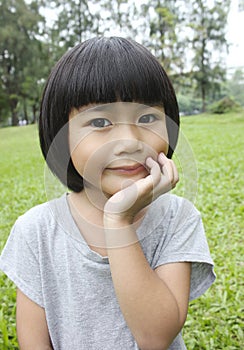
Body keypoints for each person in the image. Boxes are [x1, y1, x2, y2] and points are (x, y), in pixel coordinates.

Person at [0, 37, 215, 350]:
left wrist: (118, 220)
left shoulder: (176, 218)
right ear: (62, 135)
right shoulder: (36, 231)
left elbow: (155, 337)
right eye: (100, 121)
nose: (129, 141)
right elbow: (33, 342)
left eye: (147, 118)